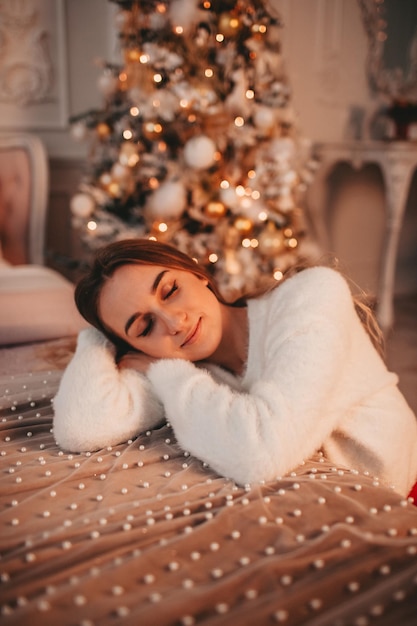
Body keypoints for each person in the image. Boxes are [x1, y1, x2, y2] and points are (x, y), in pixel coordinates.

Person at [53, 238, 417, 498]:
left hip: (403, 492)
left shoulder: (311, 295)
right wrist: (97, 338)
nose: (173, 322)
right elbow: (80, 428)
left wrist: (166, 371)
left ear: (196, 273)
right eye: (144, 326)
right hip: (345, 504)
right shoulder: (180, 368)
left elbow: (260, 453)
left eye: (170, 290)